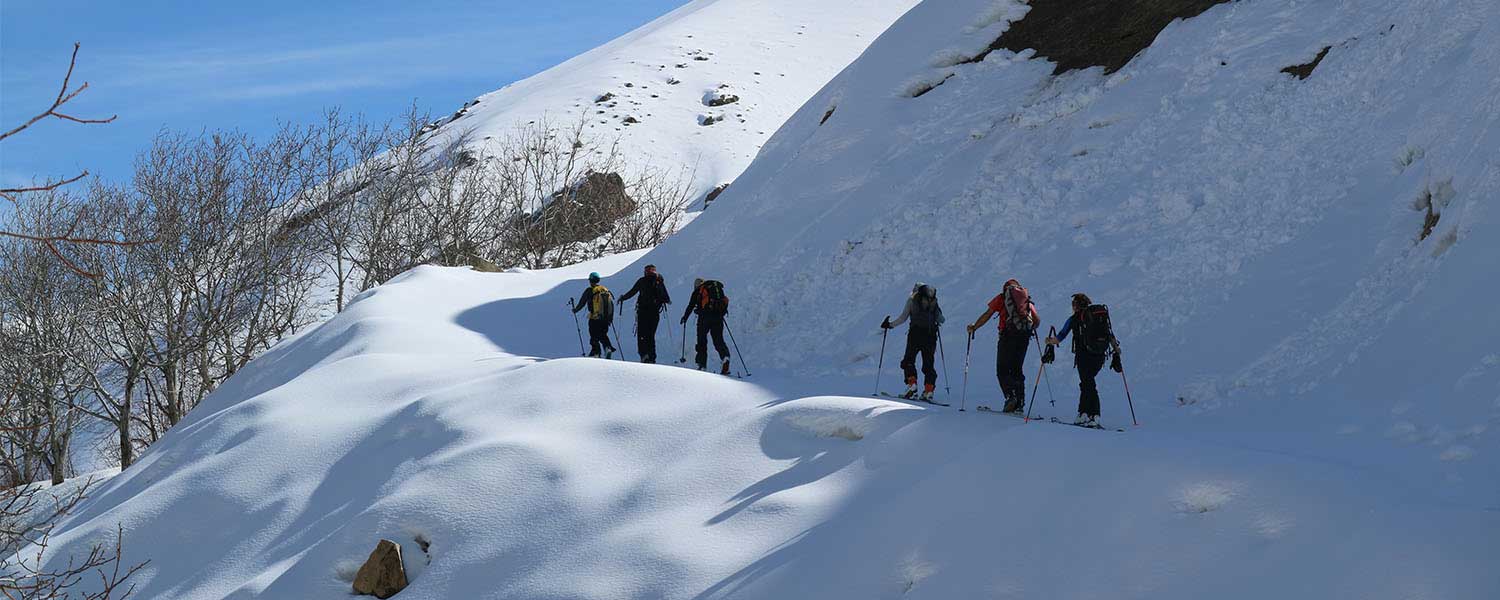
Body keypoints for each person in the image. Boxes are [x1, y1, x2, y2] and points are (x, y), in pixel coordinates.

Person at [1046, 293, 1122, 428]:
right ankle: (1083, 413)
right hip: (1099, 355)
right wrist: (1116, 350)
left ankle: (1094, 415)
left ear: (1076, 306)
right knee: (1087, 383)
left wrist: (1050, 341)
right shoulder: (1097, 316)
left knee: (1088, 384)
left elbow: (1061, 336)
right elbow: (1109, 334)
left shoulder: (1074, 319)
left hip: (1084, 356)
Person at [966, 279, 1039, 413]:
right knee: (1017, 369)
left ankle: (1010, 397)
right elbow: (1037, 320)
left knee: (1002, 369)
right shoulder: (1025, 300)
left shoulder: (1002, 298)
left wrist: (974, 327)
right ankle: (1020, 403)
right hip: (1023, 338)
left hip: (1007, 336)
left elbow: (988, 314)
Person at [882, 283, 945, 401]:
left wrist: (890, 325)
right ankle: (929, 390)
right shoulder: (934, 302)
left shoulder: (912, 300)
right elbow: (942, 319)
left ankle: (912, 386)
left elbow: (903, 318)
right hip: (931, 336)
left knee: (909, 360)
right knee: (928, 364)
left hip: (915, 335)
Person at [617, 264, 672, 363]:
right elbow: (666, 297)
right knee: (650, 335)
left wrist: (623, 298)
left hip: (643, 312)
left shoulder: (642, 281)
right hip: (655, 313)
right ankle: (652, 357)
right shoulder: (659, 281)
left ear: (645, 272)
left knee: (642, 334)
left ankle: (644, 355)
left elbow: (632, 292)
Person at [680, 278, 731, 375]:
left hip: (704, 318)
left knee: (701, 341)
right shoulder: (715, 290)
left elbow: (691, 305)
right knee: (718, 340)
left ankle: (702, 365)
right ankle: (725, 357)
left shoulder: (698, 292)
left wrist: (685, 317)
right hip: (718, 317)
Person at [572, 272, 616, 358]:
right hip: (605, 318)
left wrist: (575, 310)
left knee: (593, 335)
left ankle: (596, 352)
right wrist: (610, 318)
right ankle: (607, 347)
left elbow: (582, 302)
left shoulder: (589, 290)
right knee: (603, 334)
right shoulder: (604, 289)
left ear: (590, 280)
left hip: (594, 317)